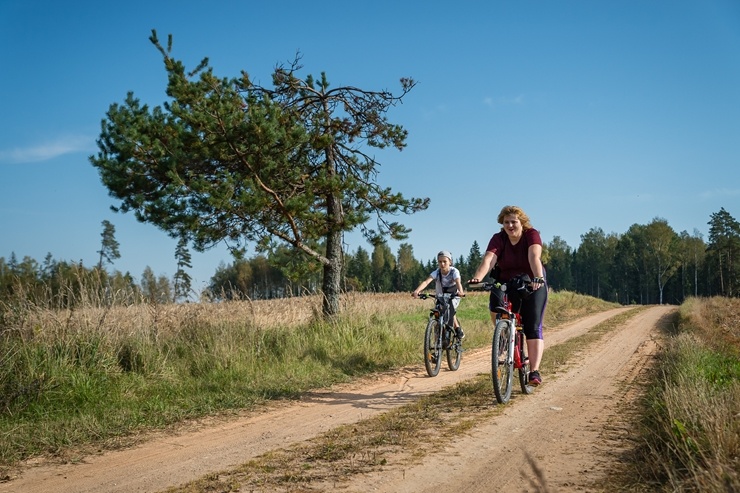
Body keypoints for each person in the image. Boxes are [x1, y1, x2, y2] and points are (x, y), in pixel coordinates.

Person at [469, 205, 548, 386]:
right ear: (502, 223)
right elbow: (489, 259)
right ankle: (505, 334)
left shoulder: (531, 234)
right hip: (506, 281)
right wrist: (477, 278)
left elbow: (533, 257)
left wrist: (538, 278)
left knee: (532, 326)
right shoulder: (499, 238)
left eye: (514, 222)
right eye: (506, 222)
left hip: (532, 281)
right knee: (496, 306)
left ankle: (534, 371)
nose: (510, 225)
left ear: (522, 222)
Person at [412, 250, 466, 340]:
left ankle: (457, 328)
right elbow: (426, 282)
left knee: (449, 307)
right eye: (440, 262)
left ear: (450, 262)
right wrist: (417, 291)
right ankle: (437, 346)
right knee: (437, 314)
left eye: (445, 261)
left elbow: (458, 282)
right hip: (440, 296)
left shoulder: (454, 272)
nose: (442, 264)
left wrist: (460, 291)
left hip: (453, 296)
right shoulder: (436, 272)